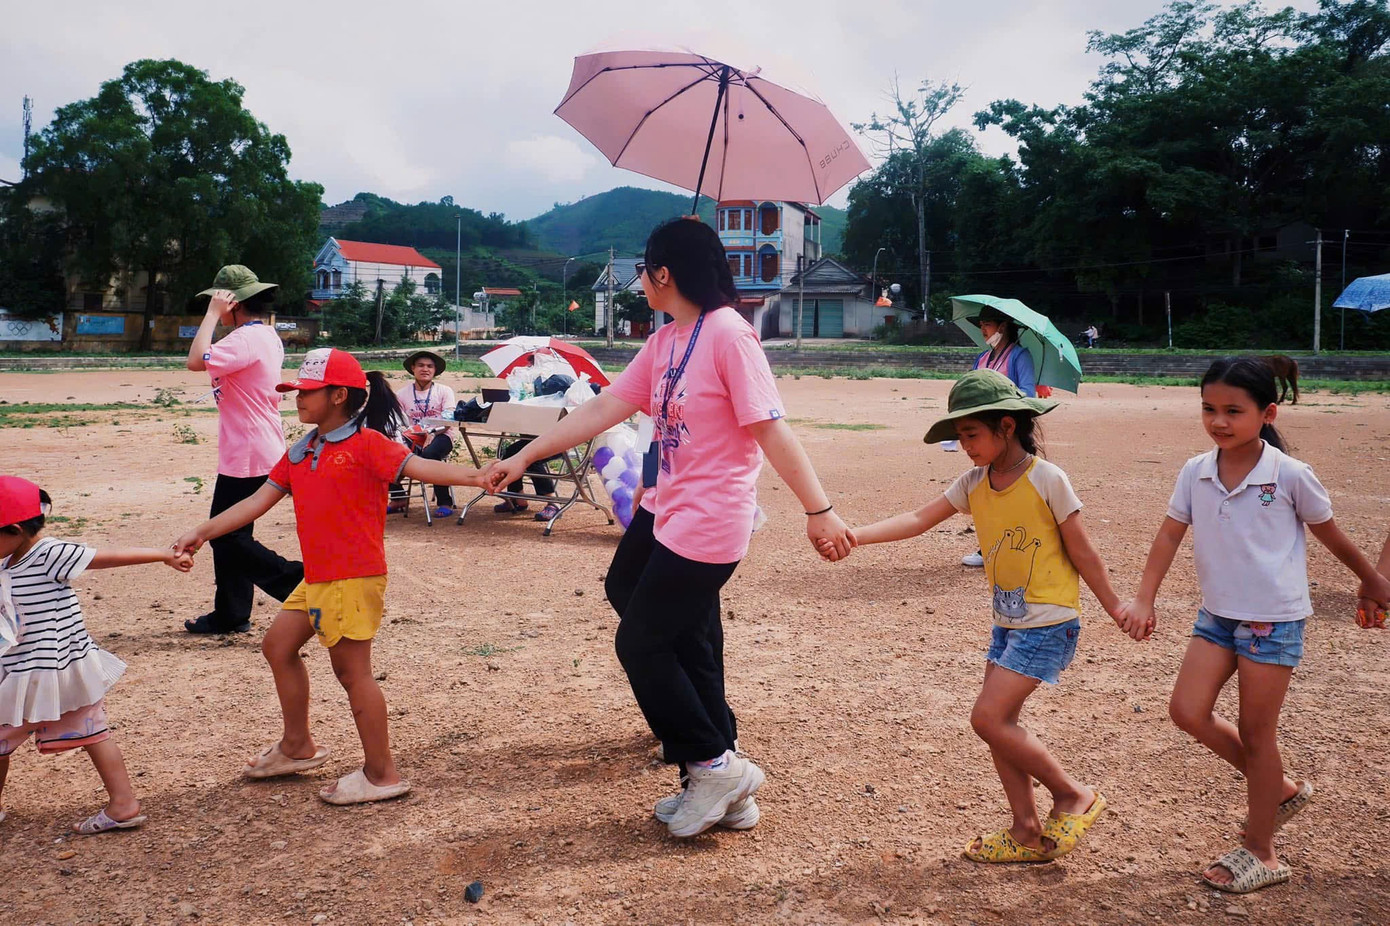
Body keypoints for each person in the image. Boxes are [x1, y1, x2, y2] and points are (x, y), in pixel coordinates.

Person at [484, 218, 851, 838]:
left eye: (643, 270)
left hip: (709, 517)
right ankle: (724, 770)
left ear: (663, 274)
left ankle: (711, 764)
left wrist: (820, 510)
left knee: (643, 641)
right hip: (665, 505)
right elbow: (606, 407)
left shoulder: (730, 337)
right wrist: (525, 455)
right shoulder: (668, 339)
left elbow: (769, 428)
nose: (638, 282)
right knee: (645, 602)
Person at [1117, 357, 1390, 894]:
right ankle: (1279, 791)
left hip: (1273, 621)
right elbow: (1170, 534)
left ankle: (1262, 849)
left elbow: (1330, 534)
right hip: (1217, 615)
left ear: (1267, 413)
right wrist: (1144, 598)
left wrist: (1372, 581)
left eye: (1233, 411)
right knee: (1187, 711)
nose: (1219, 421)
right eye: (1209, 408)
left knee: (1257, 734)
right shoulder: (1195, 470)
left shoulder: (1288, 474)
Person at [829, 369, 1122, 862]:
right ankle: (1026, 830)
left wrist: (1115, 606)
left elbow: (1084, 551)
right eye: (960, 437)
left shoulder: (1047, 479)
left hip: (1049, 620)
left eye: (971, 434)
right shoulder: (974, 482)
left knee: (988, 718)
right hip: (1008, 622)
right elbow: (919, 519)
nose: (964, 446)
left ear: (1007, 426)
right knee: (997, 722)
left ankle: (1073, 795)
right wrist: (855, 535)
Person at [173, 349, 487, 806]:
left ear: (339, 395)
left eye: (306, 392)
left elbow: (421, 467)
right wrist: (203, 530)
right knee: (277, 646)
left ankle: (382, 774)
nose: (296, 399)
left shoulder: (367, 444)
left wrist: (478, 476)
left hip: (352, 578)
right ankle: (297, 746)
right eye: (294, 391)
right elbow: (256, 501)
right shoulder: (303, 450)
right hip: (319, 577)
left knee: (352, 672)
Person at [0, 476, 193, 833]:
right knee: (92, 732)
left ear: (13, 530)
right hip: (33, 669)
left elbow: (104, 558)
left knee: (78, 733)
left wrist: (165, 555)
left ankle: (123, 804)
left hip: (55, 670)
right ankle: (123, 803)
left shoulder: (48, 554)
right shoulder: (6, 559)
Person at [184, 265, 303, 634]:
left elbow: (193, 360)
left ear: (233, 303)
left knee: (223, 533)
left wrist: (209, 315)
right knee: (234, 534)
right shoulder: (264, 335)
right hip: (251, 447)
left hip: (248, 452)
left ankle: (295, 580)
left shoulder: (244, 340)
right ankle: (231, 612)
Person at [951, 305, 1038, 567]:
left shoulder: (1019, 356)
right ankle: (991, 545)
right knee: (990, 489)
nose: (982, 330)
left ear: (1002, 326)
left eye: (986, 325)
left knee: (1013, 488)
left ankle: (1008, 544)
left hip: (1009, 433)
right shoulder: (982, 358)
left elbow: (1028, 393)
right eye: (981, 326)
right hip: (987, 435)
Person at [394, 350, 459, 517]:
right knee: (386, 451)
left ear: (435, 370)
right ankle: (398, 497)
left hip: (442, 435)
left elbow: (449, 419)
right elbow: (399, 422)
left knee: (430, 453)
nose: (425, 369)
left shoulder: (444, 391)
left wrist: (432, 432)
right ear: (412, 368)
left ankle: (445, 501)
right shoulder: (401, 394)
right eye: (421, 365)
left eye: (430, 366)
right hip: (412, 436)